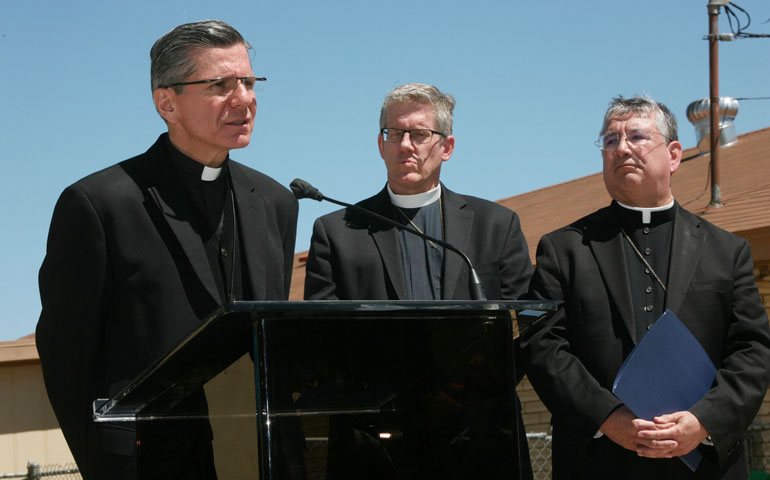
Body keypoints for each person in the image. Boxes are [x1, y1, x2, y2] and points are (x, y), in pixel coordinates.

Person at [36, 20, 298, 480]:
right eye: (219, 85)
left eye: (249, 82)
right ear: (167, 103)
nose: (244, 99)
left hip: (261, 459)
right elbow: (67, 357)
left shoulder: (276, 202)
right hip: (146, 463)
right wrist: (106, 463)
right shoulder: (101, 204)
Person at [524, 95, 770, 479]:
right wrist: (608, 417)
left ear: (673, 155)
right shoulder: (564, 249)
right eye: (610, 140)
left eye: (636, 136)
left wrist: (702, 421)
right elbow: (543, 348)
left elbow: (753, 350)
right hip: (598, 461)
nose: (621, 148)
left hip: (703, 463)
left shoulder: (727, 250)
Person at [304, 83, 534, 479]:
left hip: (479, 436)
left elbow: (528, 324)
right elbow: (323, 340)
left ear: (447, 147)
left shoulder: (495, 226)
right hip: (377, 442)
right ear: (381, 144)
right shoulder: (337, 231)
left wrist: (475, 387)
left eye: (420, 134)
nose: (405, 144)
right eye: (394, 133)